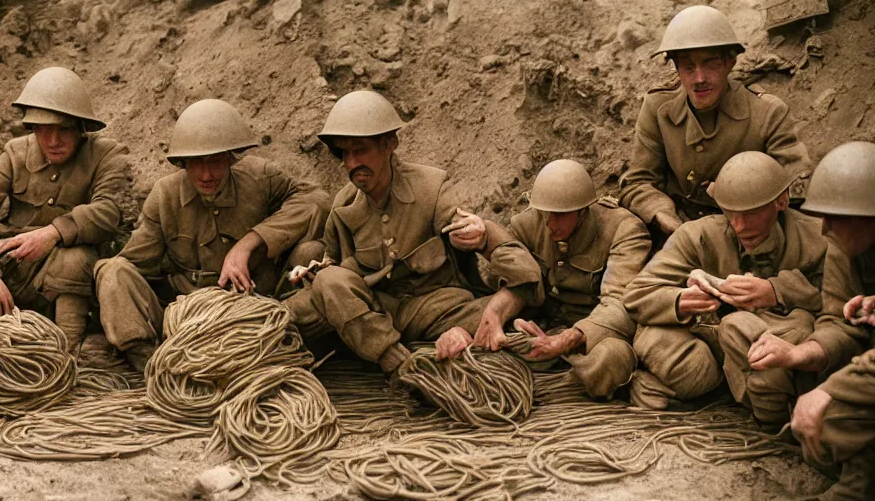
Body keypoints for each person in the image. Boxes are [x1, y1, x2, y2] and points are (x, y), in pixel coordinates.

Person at [296, 90, 542, 379]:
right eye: (344, 153)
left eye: (360, 150)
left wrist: (484, 235)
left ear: (389, 144)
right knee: (298, 310)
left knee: (520, 322)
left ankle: (416, 352)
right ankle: (402, 364)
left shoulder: (431, 188)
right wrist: (315, 273)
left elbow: (526, 273)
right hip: (375, 314)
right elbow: (334, 272)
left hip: (438, 310)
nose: (351, 163)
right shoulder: (344, 205)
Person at [94, 99, 329, 370]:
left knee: (312, 255)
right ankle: (153, 364)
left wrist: (249, 243)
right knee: (113, 271)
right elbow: (135, 266)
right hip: (187, 318)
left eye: (216, 161)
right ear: (182, 163)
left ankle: (272, 344)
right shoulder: (165, 196)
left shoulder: (260, 178)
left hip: (255, 308)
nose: (207, 174)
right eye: (196, 163)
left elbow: (317, 201)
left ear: (231, 157)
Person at [624, 151, 825, 423]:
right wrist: (681, 300)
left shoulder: (818, 237)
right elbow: (637, 294)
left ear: (781, 201)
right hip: (708, 340)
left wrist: (775, 291)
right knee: (683, 361)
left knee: (800, 326)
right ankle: (715, 389)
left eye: (751, 213)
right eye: (730, 213)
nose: (740, 225)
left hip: (770, 342)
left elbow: (843, 297)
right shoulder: (698, 236)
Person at [0, 67, 128, 351]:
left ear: (81, 127)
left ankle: (67, 352)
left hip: (70, 283)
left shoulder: (106, 154)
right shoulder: (14, 154)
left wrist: (53, 233)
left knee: (77, 257)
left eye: (64, 129)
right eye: (43, 130)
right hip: (11, 275)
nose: (53, 141)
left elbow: (108, 212)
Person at [746, 141, 875, 500]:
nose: (824, 229)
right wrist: (801, 353)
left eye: (836, 217)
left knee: (833, 418)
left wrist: (830, 392)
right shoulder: (845, 248)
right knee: (823, 426)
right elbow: (839, 321)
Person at [619, 5, 811, 240]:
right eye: (688, 67)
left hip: (743, 231)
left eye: (711, 64)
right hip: (677, 228)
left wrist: (742, 192)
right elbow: (638, 181)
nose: (699, 78)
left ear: (730, 62)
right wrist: (661, 212)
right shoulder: (658, 108)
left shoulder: (767, 113)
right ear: (676, 67)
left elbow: (797, 186)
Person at [509, 160, 651, 398]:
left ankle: (555, 389)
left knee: (611, 359)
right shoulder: (526, 225)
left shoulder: (624, 229)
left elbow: (621, 303)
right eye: (546, 214)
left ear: (583, 211)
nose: (550, 225)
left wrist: (569, 339)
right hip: (549, 329)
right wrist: (517, 322)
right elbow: (513, 286)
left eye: (560, 216)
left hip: (596, 335)